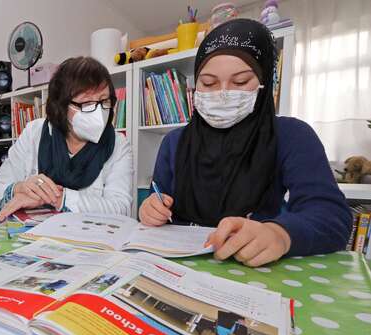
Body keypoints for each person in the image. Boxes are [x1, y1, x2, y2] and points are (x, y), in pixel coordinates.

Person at [138, 19, 351, 267]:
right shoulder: (174, 142)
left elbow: (332, 217)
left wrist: (279, 235)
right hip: (177, 265)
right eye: (208, 83)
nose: (224, 92)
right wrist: (150, 208)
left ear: (264, 83)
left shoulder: (291, 135)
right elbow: (159, 197)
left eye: (240, 82)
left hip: (255, 267)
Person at [0, 57, 133, 221]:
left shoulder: (118, 143)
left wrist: (57, 197)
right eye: (86, 103)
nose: (99, 113)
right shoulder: (34, 133)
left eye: (105, 101)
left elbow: (121, 209)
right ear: (61, 106)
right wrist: (19, 189)